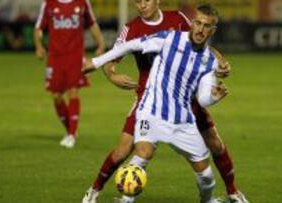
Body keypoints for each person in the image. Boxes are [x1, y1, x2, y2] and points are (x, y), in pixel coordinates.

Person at [82, 0, 247, 202]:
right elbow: (120, 52)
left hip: (186, 97)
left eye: (146, 0)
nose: (141, 5)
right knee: (127, 150)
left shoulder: (177, 20)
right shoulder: (133, 28)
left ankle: (232, 192)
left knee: (215, 145)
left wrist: (219, 62)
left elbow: (201, 44)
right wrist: (110, 73)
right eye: (137, 1)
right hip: (149, 97)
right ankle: (100, 191)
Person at [34, 0, 105, 148]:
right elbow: (38, 28)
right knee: (56, 95)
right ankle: (69, 130)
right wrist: (39, 46)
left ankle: (72, 135)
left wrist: (100, 44)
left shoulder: (83, 2)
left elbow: (92, 23)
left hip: (75, 56)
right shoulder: (48, 4)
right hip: (55, 57)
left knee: (73, 92)